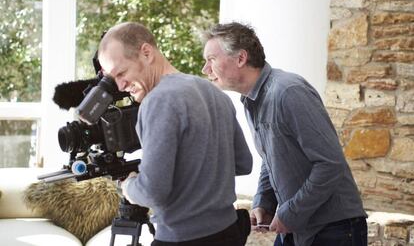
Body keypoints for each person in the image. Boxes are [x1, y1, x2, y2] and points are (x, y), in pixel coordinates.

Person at [201, 22, 368, 246]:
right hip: (299, 228)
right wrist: (263, 203)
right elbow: (271, 159)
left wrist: (290, 212)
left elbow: (330, 164)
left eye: (211, 60)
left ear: (241, 58)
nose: (205, 69)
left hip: (334, 230)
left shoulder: (289, 92)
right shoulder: (252, 100)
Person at [97, 22, 253, 246]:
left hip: (183, 239)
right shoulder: (215, 92)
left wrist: (129, 185)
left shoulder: (158, 101)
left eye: (122, 72)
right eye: (114, 78)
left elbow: (152, 193)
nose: (121, 86)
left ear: (147, 52)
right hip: (229, 232)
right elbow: (243, 163)